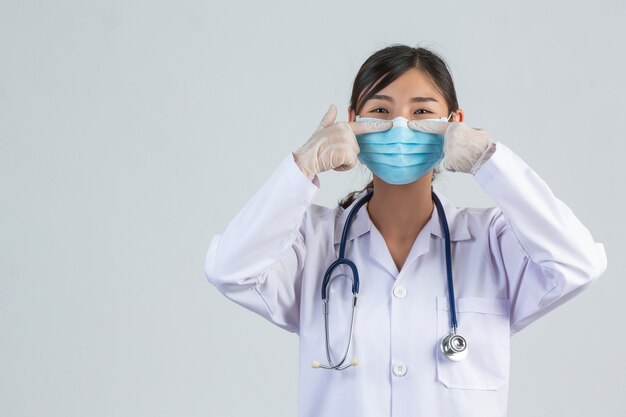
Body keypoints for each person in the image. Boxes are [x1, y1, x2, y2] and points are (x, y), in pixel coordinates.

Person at [203, 44, 607, 417]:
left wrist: (491, 162)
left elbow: (578, 264)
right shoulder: (314, 242)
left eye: (421, 112)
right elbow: (229, 270)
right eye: (380, 111)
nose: (400, 127)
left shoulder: (493, 241)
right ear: (351, 123)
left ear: (455, 124)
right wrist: (303, 166)